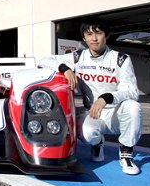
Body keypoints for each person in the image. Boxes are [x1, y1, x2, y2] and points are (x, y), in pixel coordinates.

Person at [38, 17, 143, 175]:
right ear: (84, 38)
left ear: (106, 35)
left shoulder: (121, 59)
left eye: (98, 33)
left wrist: (106, 97)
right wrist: (65, 68)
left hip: (116, 112)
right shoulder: (78, 57)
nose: (94, 38)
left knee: (133, 107)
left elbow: (132, 91)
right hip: (93, 113)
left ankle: (126, 152)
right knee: (86, 133)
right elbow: (43, 60)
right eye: (89, 34)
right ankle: (98, 143)